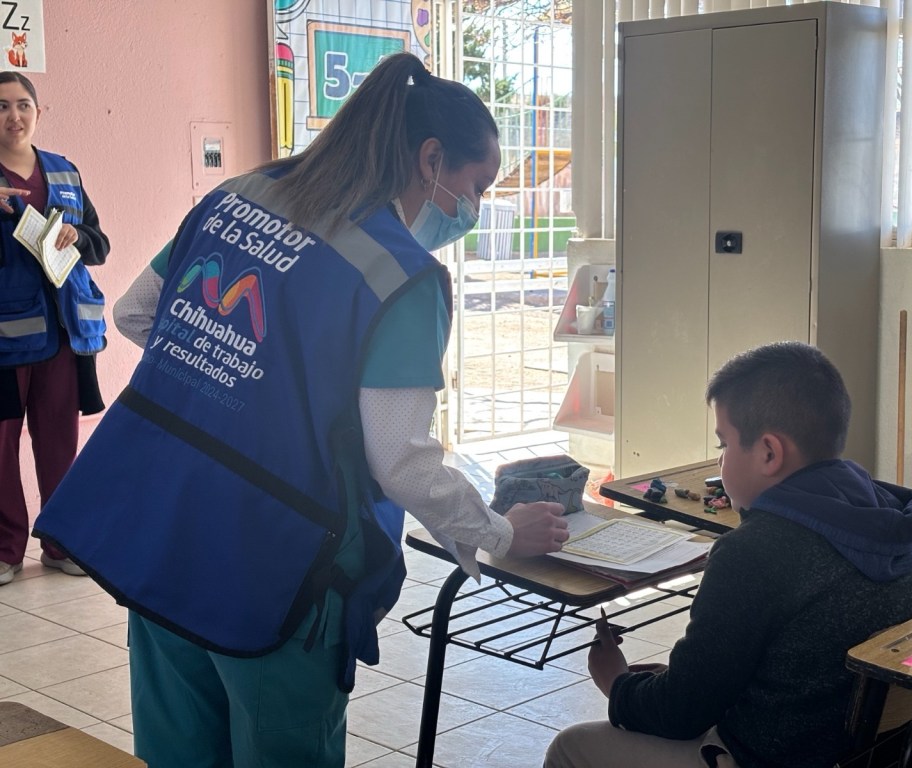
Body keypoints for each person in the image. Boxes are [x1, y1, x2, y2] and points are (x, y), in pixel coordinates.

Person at [33, 53, 569, 767]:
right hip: (277, 565)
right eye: (476, 187)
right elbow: (400, 461)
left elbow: (136, 314)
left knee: (177, 753)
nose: (471, 209)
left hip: (165, 531)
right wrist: (499, 532)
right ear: (430, 158)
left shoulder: (240, 195)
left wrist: (239, 383)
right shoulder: (402, 277)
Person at [545, 341, 912, 768]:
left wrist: (617, 684)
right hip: (877, 756)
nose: (719, 461)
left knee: (571, 746)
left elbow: (680, 715)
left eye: (723, 444)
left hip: (770, 757)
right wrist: (683, 682)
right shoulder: (892, 523)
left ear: (768, 453)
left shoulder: (754, 554)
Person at [0, 71, 109, 586]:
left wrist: (76, 235)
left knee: (59, 442)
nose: (13, 116)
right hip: (5, 340)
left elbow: (99, 244)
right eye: (1, 106)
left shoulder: (64, 171)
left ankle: (61, 544)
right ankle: (5, 550)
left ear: (39, 112)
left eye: (23, 105)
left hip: (64, 334)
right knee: (1, 447)